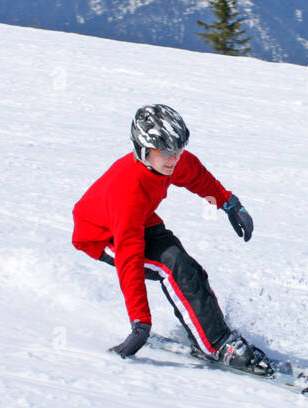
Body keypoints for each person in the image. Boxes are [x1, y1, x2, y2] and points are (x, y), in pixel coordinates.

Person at [71, 104, 268, 373]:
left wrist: (228, 203)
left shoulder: (168, 161)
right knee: (173, 267)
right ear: (143, 150)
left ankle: (212, 334)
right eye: (165, 152)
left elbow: (196, 176)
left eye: (177, 150)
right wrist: (140, 324)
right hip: (103, 234)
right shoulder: (128, 191)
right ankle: (216, 345)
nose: (173, 159)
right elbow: (128, 259)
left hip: (142, 219)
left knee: (189, 269)